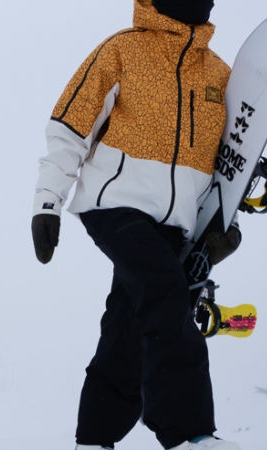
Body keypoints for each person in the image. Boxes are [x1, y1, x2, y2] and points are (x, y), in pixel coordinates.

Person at [31, 1, 242, 449]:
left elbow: (227, 161)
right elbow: (70, 127)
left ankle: (95, 436)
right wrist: (48, 202)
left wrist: (222, 223)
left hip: (176, 222)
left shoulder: (219, 75)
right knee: (164, 291)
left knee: (128, 323)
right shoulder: (122, 50)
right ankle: (188, 432)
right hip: (115, 205)